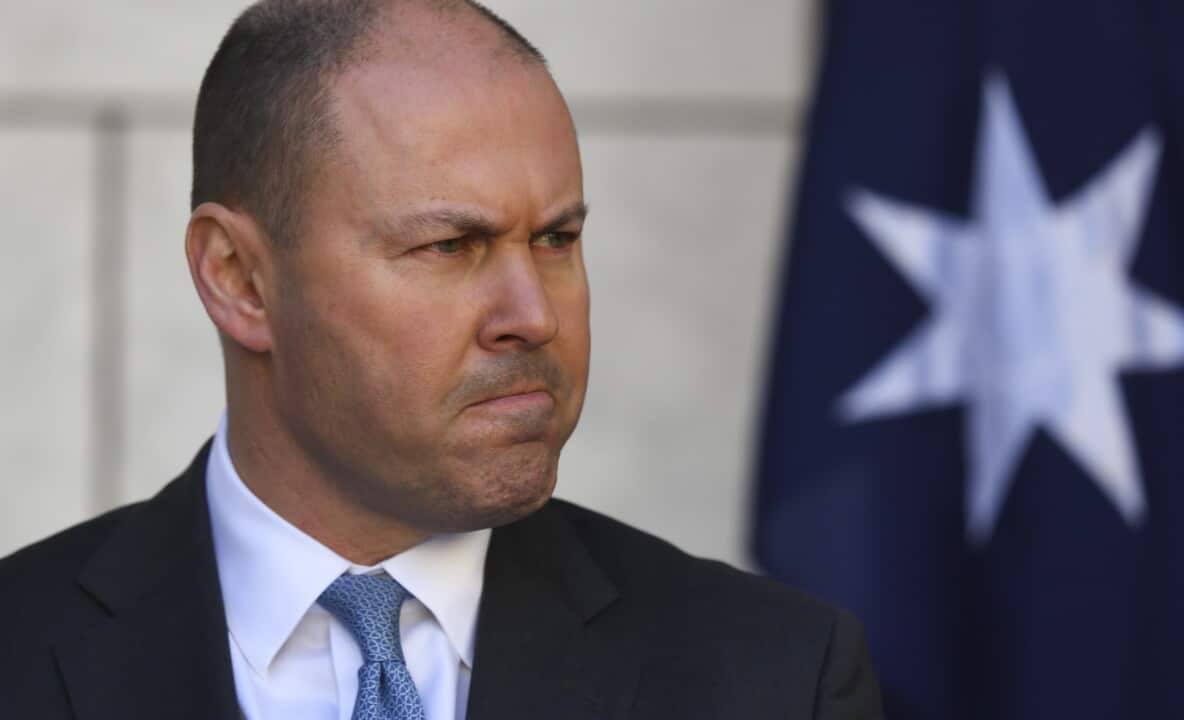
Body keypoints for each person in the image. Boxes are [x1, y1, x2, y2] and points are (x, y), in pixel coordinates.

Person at [0, 1, 883, 717]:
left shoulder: (775, 679)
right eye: (450, 246)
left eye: (556, 238)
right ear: (240, 279)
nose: (534, 316)